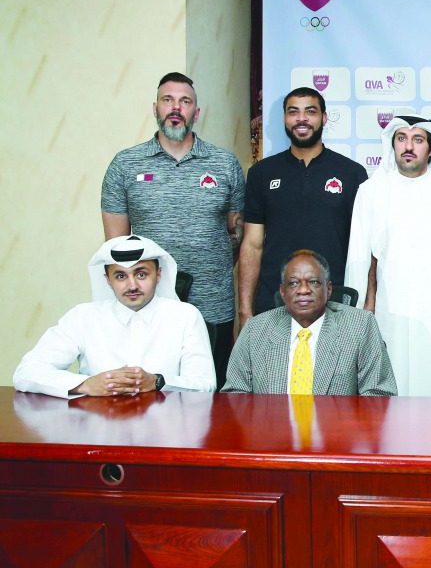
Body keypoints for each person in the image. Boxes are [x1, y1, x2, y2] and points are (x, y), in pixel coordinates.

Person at [101, 72, 245, 387]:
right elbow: (117, 248)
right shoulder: (125, 165)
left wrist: (209, 266)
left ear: (197, 112)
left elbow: (237, 236)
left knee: (211, 393)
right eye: (168, 100)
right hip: (148, 305)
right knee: (150, 393)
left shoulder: (224, 164)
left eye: (185, 101)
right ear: (155, 108)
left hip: (212, 304)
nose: (175, 108)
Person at [345, 116, 431, 396]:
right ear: (392, 145)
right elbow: (357, 261)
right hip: (390, 314)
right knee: (389, 394)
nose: (409, 146)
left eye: (418, 140)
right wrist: (355, 321)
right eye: (401, 139)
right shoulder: (371, 191)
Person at [14, 235, 216, 397]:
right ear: (108, 281)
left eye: (141, 274)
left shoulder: (185, 316)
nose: (132, 285)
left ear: (159, 274)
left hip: (166, 432)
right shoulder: (83, 316)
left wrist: (157, 382)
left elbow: (205, 385)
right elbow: (26, 372)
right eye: (121, 276)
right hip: (98, 431)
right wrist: (86, 385)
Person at [239, 87, 367, 320]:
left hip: (335, 302)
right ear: (285, 119)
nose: (301, 119)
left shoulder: (352, 173)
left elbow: (363, 247)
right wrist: (245, 310)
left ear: (324, 118)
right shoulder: (261, 173)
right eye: (293, 112)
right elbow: (252, 244)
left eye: (310, 111)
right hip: (273, 302)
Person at [224, 250, 396, 396]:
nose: (303, 290)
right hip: (271, 432)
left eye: (313, 282)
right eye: (293, 283)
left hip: (339, 433)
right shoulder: (256, 330)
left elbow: (378, 394)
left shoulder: (360, 325)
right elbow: (235, 395)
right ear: (283, 292)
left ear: (328, 290)